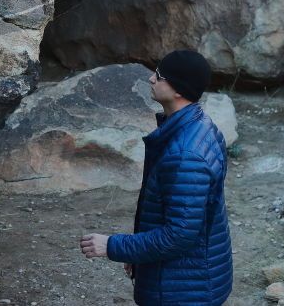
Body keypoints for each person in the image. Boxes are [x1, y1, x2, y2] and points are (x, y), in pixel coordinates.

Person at [80, 50, 233, 305]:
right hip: (188, 278)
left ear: (177, 91)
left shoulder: (185, 154)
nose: (151, 79)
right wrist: (139, 253)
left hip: (183, 291)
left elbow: (179, 235)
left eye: (159, 76)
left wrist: (113, 246)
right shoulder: (198, 125)